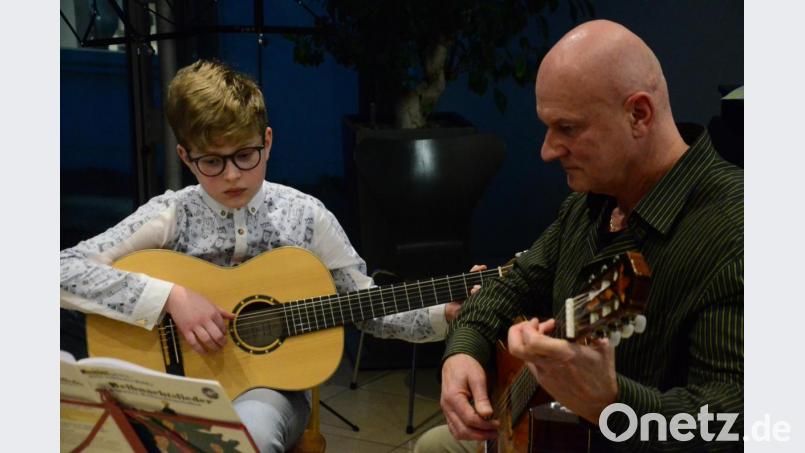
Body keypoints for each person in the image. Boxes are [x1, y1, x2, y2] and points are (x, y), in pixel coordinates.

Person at [60, 59, 462, 453]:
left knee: (244, 440)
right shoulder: (171, 214)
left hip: (270, 394)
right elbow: (62, 270)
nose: (232, 175)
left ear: (267, 142)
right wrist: (170, 298)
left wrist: (444, 314)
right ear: (185, 156)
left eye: (245, 155)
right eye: (211, 161)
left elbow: (366, 307)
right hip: (171, 392)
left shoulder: (307, 217)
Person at [416, 19, 743, 452]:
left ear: (639, 114)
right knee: (435, 445)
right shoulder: (590, 205)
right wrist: (462, 351)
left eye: (568, 128)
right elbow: (509, 285)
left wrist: (613, 404)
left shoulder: (738, 234)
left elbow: (734, 425)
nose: (547, 151)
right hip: (550, 432)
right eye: (547, 127)